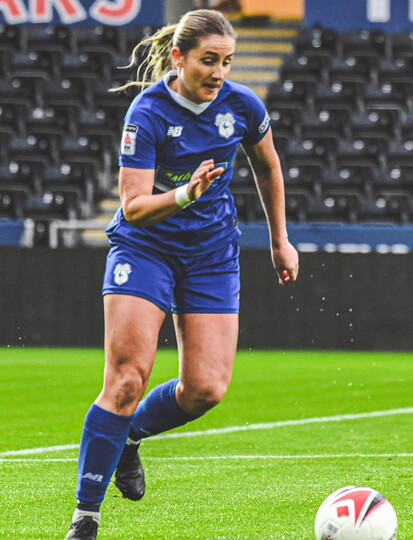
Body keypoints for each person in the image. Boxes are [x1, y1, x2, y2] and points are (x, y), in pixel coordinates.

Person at [65, 9, 299, 539]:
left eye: (227, 61)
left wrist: (280, 240)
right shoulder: (146, 113)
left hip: (212, 255)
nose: (218, 72)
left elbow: (268, 164)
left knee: (206, 389)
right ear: (179, 57)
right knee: (126, 379)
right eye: (208, 61)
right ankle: (86, 516)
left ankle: (128, 437)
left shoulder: (242, 104)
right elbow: (133, 207)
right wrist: (186, 193)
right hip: (145, 249)